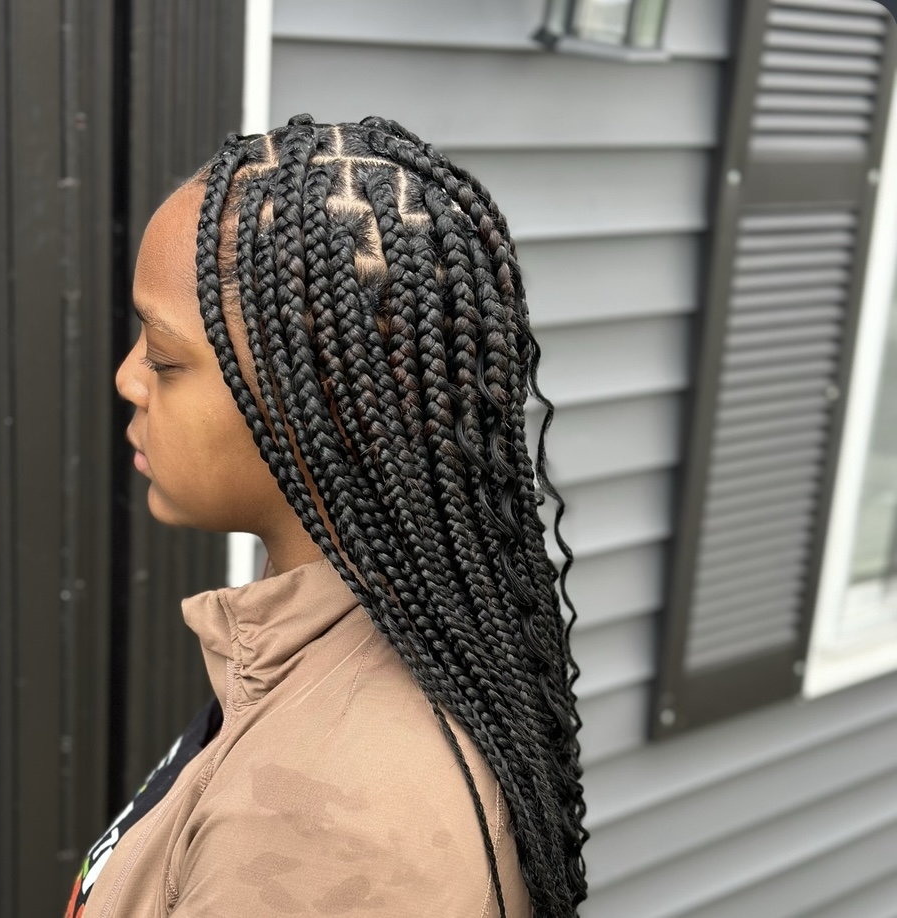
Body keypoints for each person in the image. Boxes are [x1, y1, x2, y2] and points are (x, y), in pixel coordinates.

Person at [65, 115, 589, 918]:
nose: (127, 377)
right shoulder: (326, 637)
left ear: (324, 407)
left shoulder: (322, 826)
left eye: (165, 358)